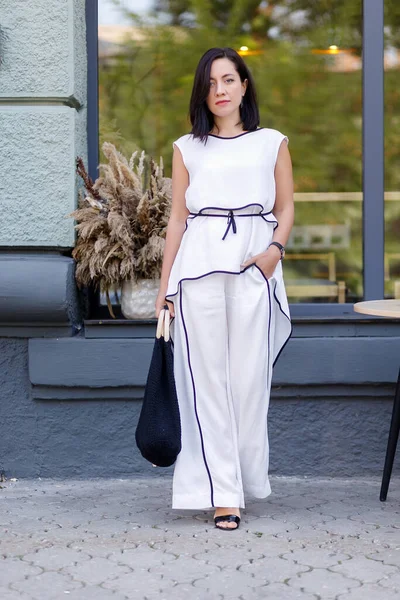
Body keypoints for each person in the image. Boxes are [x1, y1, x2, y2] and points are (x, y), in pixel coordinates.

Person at [155, 47, 294, 531]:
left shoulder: (271, 142)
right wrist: (165, 285)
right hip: (198, 274)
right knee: (205, 384)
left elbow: (286, 206)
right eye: (211, 83)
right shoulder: (186, 148)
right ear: (202, 92)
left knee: (249, 382)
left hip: (254, 269)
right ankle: (222, 494)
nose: (220, 90)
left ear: (244, 85)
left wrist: (274, 251)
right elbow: (177, 219)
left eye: (228, 80)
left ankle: (243, 478)